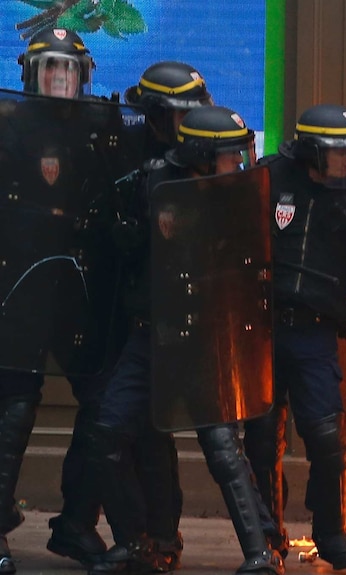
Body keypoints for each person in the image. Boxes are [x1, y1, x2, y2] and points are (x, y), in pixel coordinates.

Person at [86, 105, 284, 575]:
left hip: (204, 334)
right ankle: (136, 542)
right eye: (229, 157)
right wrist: (127, 236)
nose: (238, 165)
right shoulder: (151, 182)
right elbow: (125, 253)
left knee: (221, 446)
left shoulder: (236, 193)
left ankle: (261, 551)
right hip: (150, 335)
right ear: (201, 153)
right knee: (106, 433)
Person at [250, 103, 346, 570]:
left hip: (315, 335)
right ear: (313, 150)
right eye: (340, 152)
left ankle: (332, 532)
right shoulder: (266, 181)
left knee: (325, 436)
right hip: (261, 329)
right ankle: (266, 536)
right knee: (260, 438)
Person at [0, 28, 109, 575]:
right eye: (49, 68)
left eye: (68, 68)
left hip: (77, 288)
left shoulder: (102, 129)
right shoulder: (6, 125)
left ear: (82, 75)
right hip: (17, 284)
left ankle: (76, 524)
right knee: (13, 408)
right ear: (30, 74)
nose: (59, 76)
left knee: (104, 402)